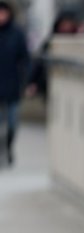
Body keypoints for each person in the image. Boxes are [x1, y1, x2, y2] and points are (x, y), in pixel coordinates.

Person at [27, 9, 84, 100]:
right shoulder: (50, 42)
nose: (66, 27)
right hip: (50, 84)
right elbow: (39, 63)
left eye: (69, 24)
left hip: (73, 84)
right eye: (64, 24)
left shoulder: (79, 42)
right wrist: (33, 82)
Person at [0, 0, 29, 165]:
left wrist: (25, 81)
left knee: (12, 123)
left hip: (12, 85)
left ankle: (8, 149)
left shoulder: (17, 34)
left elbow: (25, 59)